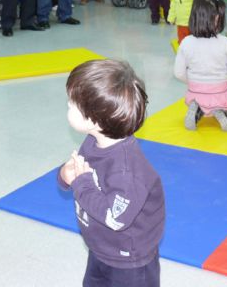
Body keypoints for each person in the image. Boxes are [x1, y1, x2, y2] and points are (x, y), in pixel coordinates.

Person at [58, 59, 165, 287]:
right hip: (101, 246)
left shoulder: (128, 172)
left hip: (130, 260)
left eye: (71, 104)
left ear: (94, 119)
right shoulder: (92, 141)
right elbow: (80, 174)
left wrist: (81, 183)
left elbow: (115, 218)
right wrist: (67, 176)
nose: (67, 105)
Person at [174, 0, 227, 132]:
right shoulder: (226, 43)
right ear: (218, 18)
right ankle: (221, 111)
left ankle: (199, 108)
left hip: (195, 92)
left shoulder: (186, 42)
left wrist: (194, 81)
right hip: (220, 91)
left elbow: (178, 73)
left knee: (203, 99)